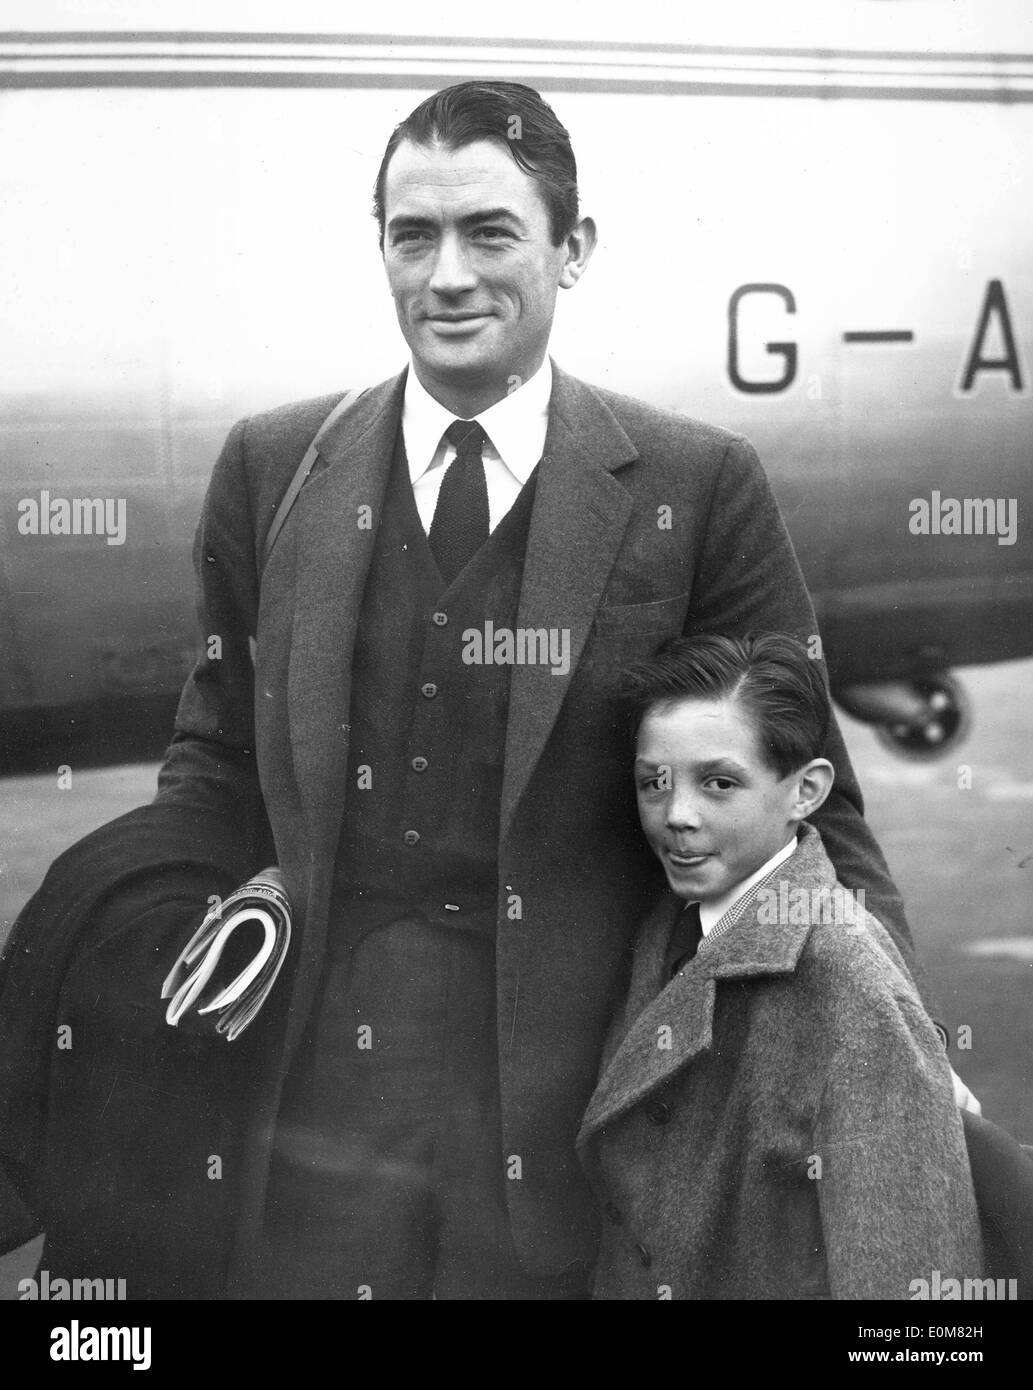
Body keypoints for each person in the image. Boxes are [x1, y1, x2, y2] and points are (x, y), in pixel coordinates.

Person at [0, 80, 953, 1300]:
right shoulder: (274, 466)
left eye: (491, 233)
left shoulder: (694, 482)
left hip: (581, 1093)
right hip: (317, 1097)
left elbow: (814, 810)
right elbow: (217, 754)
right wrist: (126, 938)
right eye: (413, 235)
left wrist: (907, 1057)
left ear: (573, 249)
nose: (447, 275)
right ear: (383, 250)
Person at [577, 632, 983, 1299]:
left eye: (719, 783)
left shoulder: (844, 978)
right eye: (654, 782)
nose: (676, 815)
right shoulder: (666, 932)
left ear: (805, 791)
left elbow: (912, 1304)